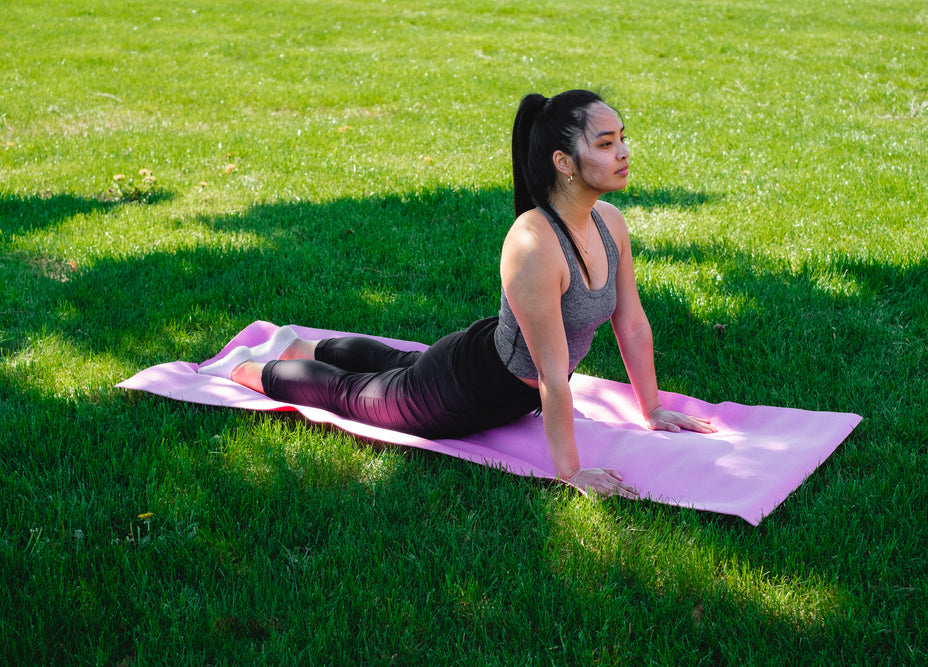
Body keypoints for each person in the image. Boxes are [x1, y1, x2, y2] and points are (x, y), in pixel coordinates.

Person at [200, 89, 716, 497]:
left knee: (395, 361)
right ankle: (247, 367)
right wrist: (571, 472)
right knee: (352, 395)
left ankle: (301, 343)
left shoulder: (609, 222)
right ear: (563, 162)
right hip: (463, 391)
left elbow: (631, 323)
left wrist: (651, 407)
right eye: (605, 143)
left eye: (621, 137)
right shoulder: (534, 244)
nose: (623, 151)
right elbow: (553, 377)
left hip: (489, 363)